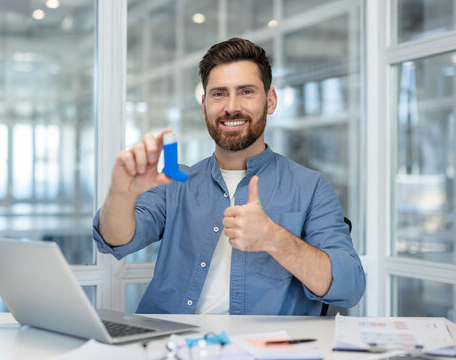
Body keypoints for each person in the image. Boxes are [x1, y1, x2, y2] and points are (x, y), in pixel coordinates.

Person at [92, 37, 365, 315]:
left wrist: (274, 238)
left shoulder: (310, 187)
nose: (231, 107)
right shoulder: (175, 183)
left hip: (262, 350)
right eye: (219, 94)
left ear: (270, 101)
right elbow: (116, 240)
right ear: (204, 105)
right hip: (169, 342)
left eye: (246, 92)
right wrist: (121, 193)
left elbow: (349, 286)